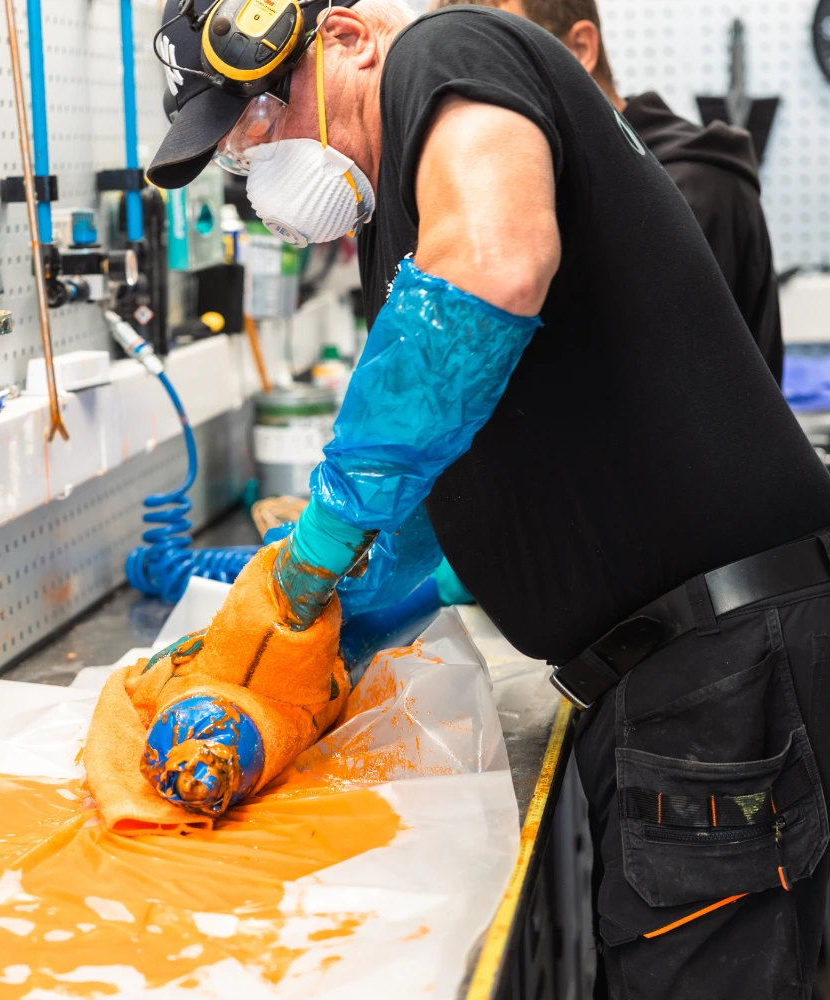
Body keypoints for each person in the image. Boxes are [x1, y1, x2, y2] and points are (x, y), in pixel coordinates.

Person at [146, 0, 830, 996]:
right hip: (687, 681)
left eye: (259, 117)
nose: (258, 161)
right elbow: (468, 448)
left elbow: (495, 266)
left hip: (723, 674)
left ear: (347, 39)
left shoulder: (449, 52)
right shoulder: (407, 209)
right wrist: (345, 616)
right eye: (237, 155)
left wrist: (326, 533)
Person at [430, 0, 784, 383]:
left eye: (499, 63)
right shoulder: (560, 182)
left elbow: (674, 393)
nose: (477, 102)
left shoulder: (686, 190)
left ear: (580, 48)